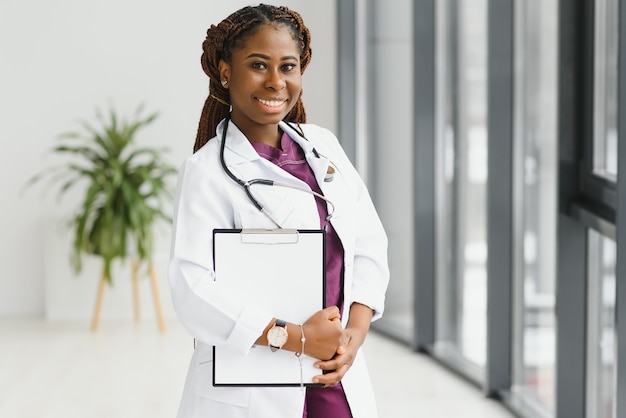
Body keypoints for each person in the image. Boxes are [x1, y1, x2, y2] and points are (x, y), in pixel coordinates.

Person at [168, 4, 389, 418]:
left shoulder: (323, 145)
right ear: (225, 71)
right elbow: (192, 288)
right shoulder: (207, 171)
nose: (276, 82)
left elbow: (369, 244)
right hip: (251, 387)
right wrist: (296, 338)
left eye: (288, 66)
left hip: (333, 377)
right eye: (258, 65)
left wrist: (353, 337)